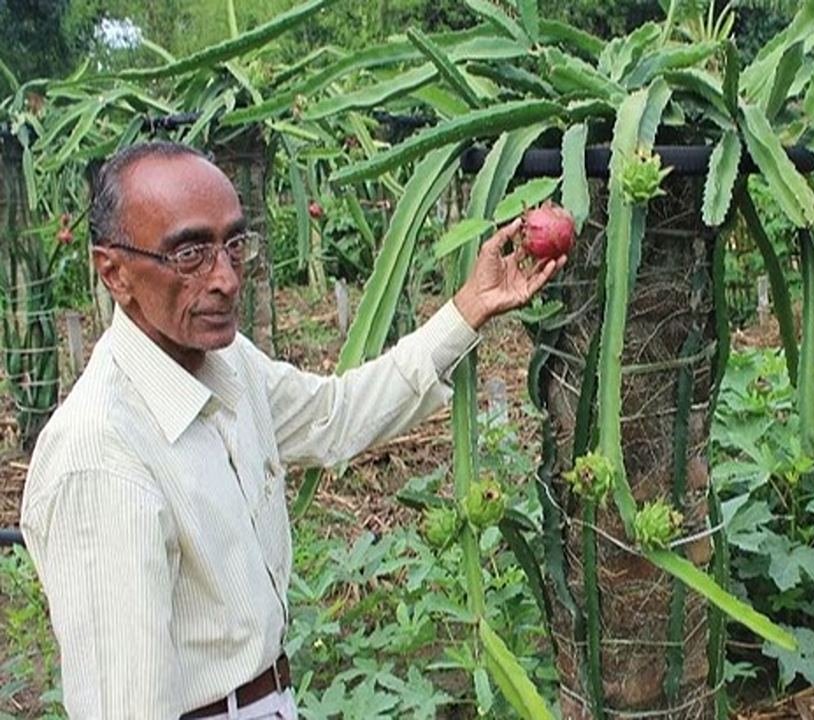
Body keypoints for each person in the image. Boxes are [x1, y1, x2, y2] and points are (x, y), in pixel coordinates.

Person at [18, 141, 565, 719]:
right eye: (190, 254)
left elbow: (336, 415)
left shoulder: (229, 366)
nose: (226, 278)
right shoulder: (101, 457)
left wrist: (469, 306)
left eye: (234, 245)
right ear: (114, 272)